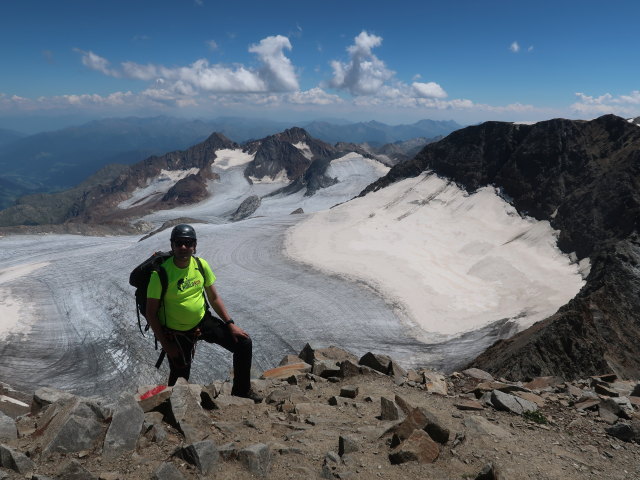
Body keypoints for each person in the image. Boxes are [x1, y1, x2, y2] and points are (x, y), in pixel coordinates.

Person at [145, 224, 256, 399]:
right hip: (177, 333)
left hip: (203, 321)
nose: (183, 247)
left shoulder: (200, 265)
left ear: (194, 246)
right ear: (172, 245)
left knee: (243, 344)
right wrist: (167, 346)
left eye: (188, 243)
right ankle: (171, 408)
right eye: (179, 243)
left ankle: (242, 392)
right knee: (180, 376)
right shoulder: (160, 273)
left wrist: (230, 324)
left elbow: (213, 297)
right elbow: (151, 313)